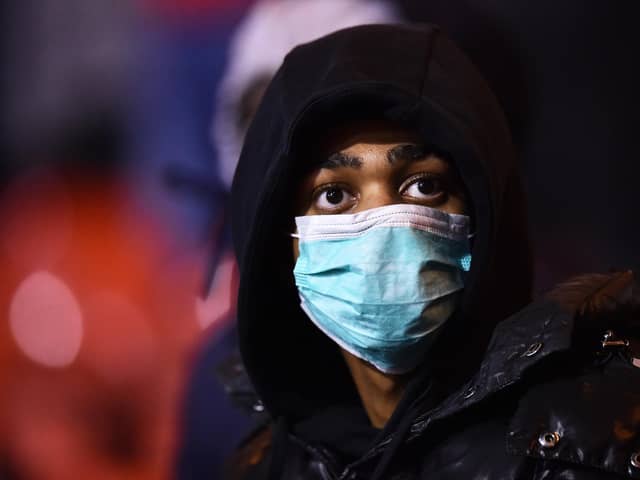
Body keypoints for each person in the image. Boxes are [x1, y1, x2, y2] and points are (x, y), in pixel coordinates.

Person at [224, 24, 640, 479]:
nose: (382, 231)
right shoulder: (268, 464)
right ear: (275, 237)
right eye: (334, 195)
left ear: (485, 213)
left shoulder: (589, 445)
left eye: (423, 186)